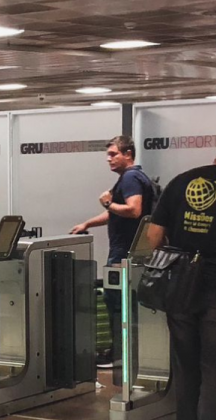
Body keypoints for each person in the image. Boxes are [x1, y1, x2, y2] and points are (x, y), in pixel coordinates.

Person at [147, 151, 216, 420]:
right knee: (215, 368)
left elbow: (154, 237)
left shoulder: (181, 182)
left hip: (180, 286)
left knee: (185, 364)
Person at [70, 136, 153, 378]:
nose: (109, 159)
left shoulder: (130, 178)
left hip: (124, 251)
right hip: (130, 249)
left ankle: (119, 354)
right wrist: (88, 223)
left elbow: (133, 209)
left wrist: (108, 203)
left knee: (117, 303)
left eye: (114, 154)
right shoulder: (135, 177)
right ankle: (125, 351)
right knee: (123, 302)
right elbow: (116, 215)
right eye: (108, 154)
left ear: (128, 154)